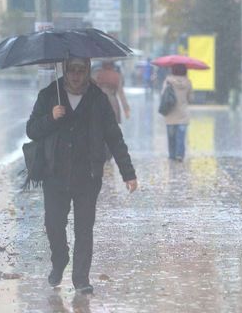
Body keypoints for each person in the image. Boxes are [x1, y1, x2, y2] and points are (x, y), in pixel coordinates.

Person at [26, 57, 138, 294]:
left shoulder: (98, 99)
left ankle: (81, 279)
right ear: (65, 70)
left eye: (81, 70)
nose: (76, 75)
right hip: (54, 175)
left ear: (88, 70)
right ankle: (60, 260)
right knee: (54, 225)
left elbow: (114, 137)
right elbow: (32, 130)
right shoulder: (49, 95)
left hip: (87, 176)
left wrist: (128, 173)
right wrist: (51, 117)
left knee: (84, 228)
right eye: (72, 70)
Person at [162, 64, 192, 161]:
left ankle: (172, 155)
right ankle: (180, 155)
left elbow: (163, 94)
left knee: (171, 138)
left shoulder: (168, 81)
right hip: (183, 114)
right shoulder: (188, 82)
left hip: (170, 114)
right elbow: (190, 98)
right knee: (181, 137)